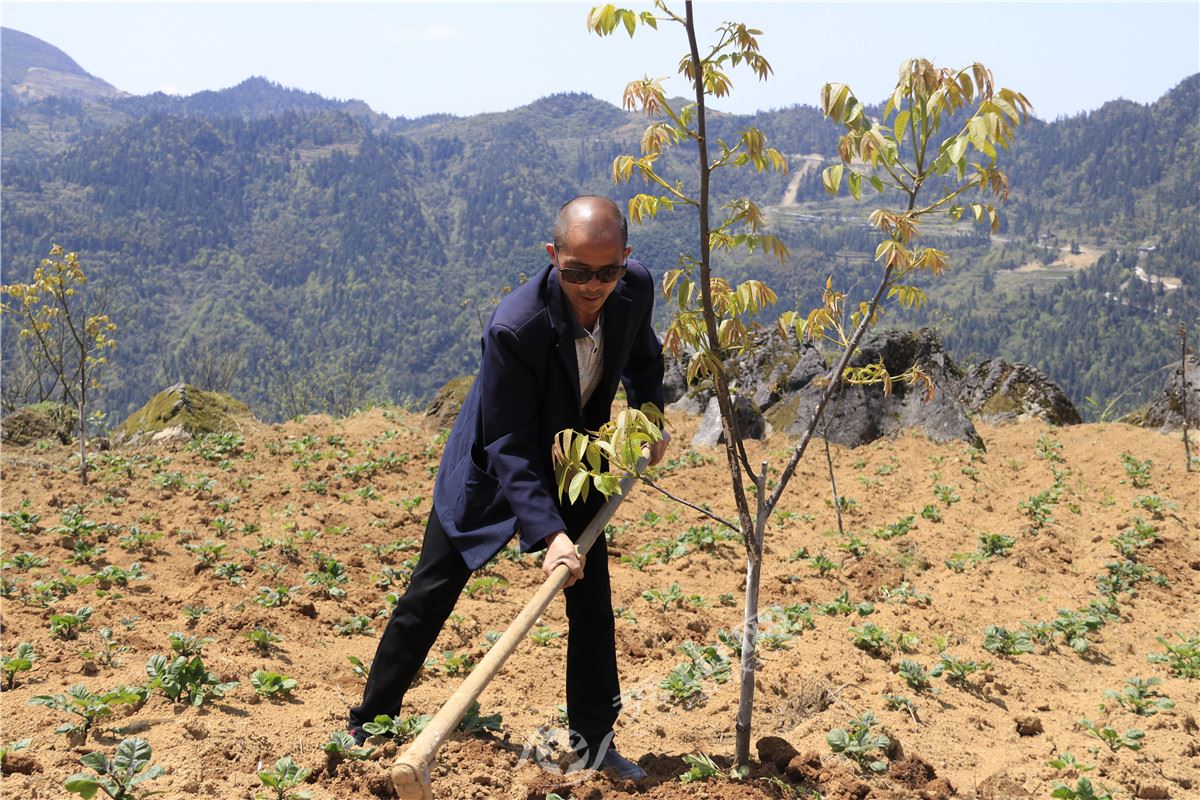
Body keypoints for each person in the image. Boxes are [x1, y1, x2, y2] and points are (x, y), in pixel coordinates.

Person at [348, 196, 669, 781]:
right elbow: (510, 443)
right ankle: (369, 722)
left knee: (592, 602)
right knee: (431, 592)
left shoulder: (634, 289)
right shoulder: (516, 327)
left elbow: (645, 358)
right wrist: (549, 534)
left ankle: (595, 744)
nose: (592, 287)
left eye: (607, 272)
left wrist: (650, 418)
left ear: (626, 260)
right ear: (553, 257)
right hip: (492, 467)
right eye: (576, 272)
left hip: (577, 460)